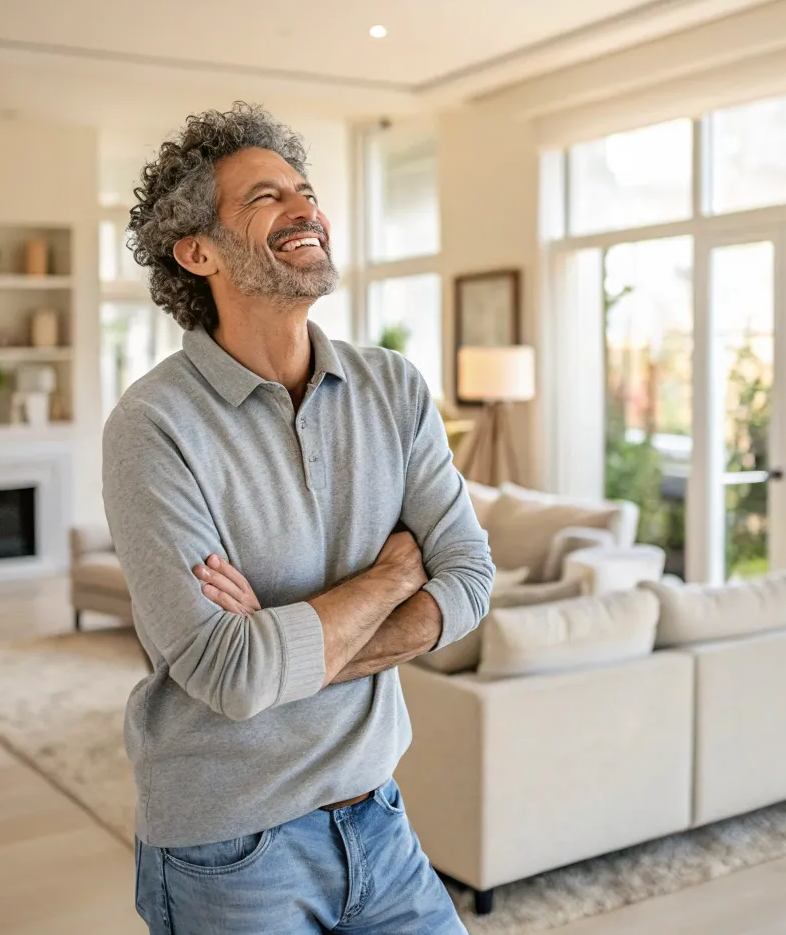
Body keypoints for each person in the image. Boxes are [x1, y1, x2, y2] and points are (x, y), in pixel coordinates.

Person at [103, 102, 494, 934]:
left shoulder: (393, 388)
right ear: (197, 251)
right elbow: (228, 674)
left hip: (379, 818)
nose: (305, 209)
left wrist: (289, 650)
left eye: (305, 191)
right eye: (264, 198)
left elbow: (470, 576)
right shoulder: (152, 426)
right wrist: (390, 577)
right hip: (229, 851)